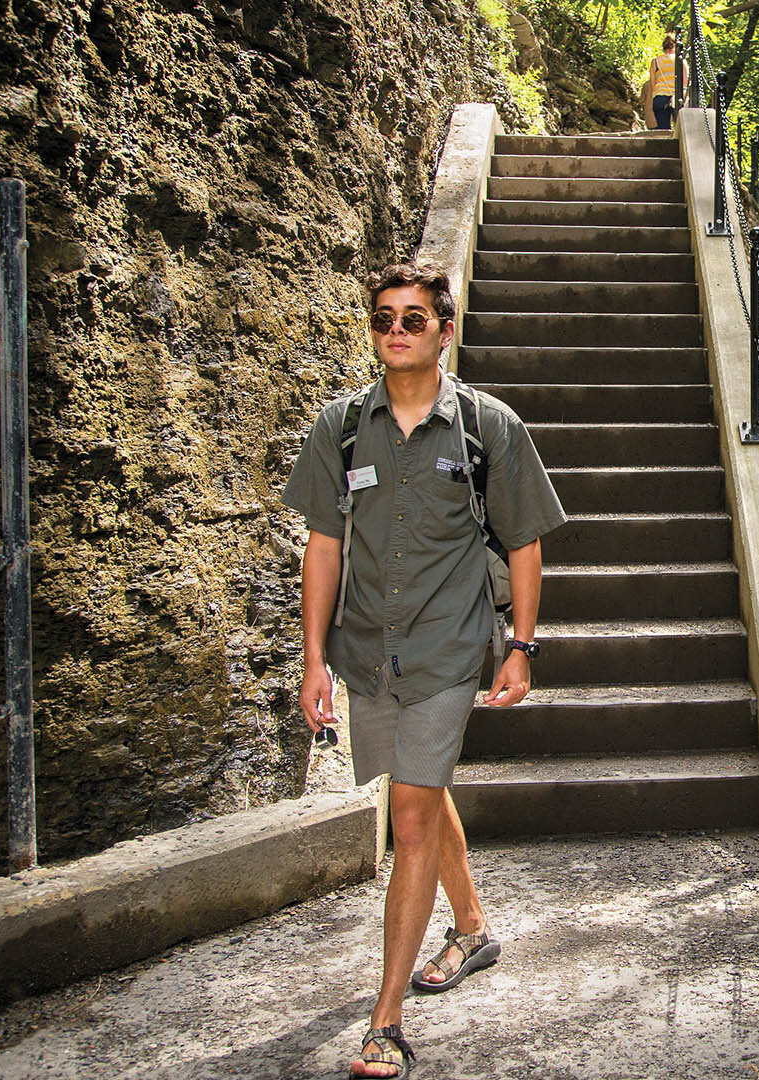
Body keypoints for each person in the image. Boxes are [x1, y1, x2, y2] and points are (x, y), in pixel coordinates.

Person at [281, 262, 566, 1079]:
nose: (396, 330)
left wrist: (522, 644)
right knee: (421, 785)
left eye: (414, 318)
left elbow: (522, 541)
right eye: (383, 319)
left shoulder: (488, 426)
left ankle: (386, 1023)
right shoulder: (339, 427)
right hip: (367, 650)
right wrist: (312, 660)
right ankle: (472, 926)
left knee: (407, 816)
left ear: (445, 330)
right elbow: (324, 548)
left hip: (447, 648)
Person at [642, 32, 678, 131]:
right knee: (681, 131)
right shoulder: (680, 60)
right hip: (677, 98)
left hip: (660, 98)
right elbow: (685, 82)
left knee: (663, 131)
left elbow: (653, 84)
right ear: (675, 46)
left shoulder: (655, 61)